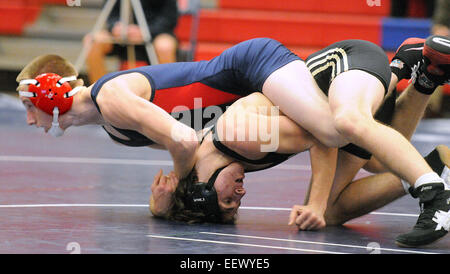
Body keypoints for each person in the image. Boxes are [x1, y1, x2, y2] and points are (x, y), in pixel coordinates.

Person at [17, 36, 450, 246]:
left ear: (47, 92)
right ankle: (420, 80)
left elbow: (184, 142)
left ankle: (432, 189)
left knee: (339, 128)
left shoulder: (110, 99)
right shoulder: (115, 129)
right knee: (370, 158)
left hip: (248, 65)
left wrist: (183, 188)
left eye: (29, 108)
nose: (32, 122)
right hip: (243, 90)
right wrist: (170, 200)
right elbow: (188, 140)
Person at [150, 36, 450, 247]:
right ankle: (425, 84)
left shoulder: (235, 134)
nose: (241, 193)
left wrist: (315, 205)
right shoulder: (213, 156)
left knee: (348, 124)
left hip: (343, 68)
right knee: (374, 166)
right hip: (341, 98)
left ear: (202, 188)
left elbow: (321, 137)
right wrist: (162, 208)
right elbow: (186, 188)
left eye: (229, 199)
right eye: (237, 203)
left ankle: (433, 191)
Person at [83, 0, 179, 84]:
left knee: (164, 46)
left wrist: (145, 31)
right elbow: (110, 14)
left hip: (156, 33)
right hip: (121, 35)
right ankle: (100, 93)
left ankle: (165, 94)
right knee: (92, 41)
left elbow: (169, 17)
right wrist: (115, 27)